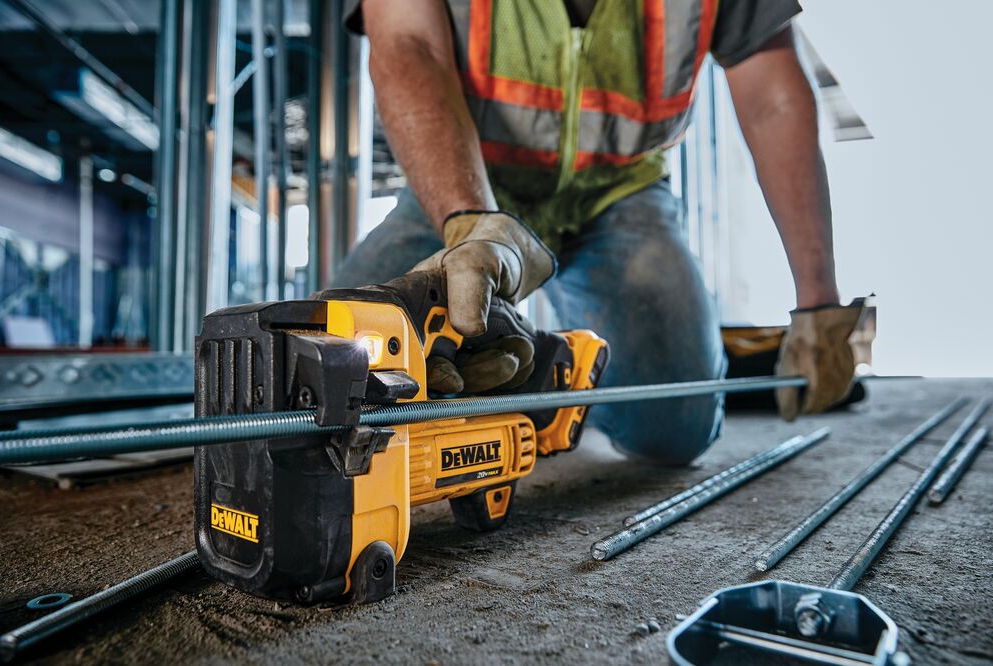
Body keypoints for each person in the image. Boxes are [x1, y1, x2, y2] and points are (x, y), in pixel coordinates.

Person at [330, 0, 863, 464]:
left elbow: (772, 99)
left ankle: (558, 372)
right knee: (334, 365)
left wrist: (819, 304)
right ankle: (533, 367)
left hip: (619, 190)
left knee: (674, 428)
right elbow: (409, 42)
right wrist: (470, 222)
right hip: (465, 178)